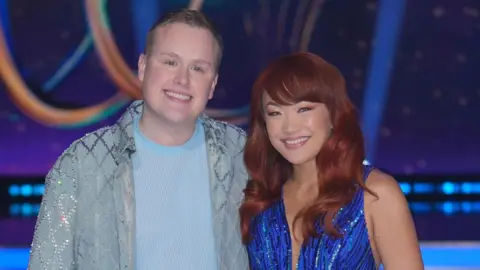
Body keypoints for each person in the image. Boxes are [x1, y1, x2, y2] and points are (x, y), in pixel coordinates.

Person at [28, 9, 249, 270]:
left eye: (198, 68)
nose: (182, 79)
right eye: (170, 62)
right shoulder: (82, 163)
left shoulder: (242, 155)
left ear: (212, 85)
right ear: (143, 67)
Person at [239, 52, 424, 269]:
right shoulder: (259, 199)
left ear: (333, 115)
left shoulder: (375, 193)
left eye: (303, 109)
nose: (289, 127)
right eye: (275, 113)